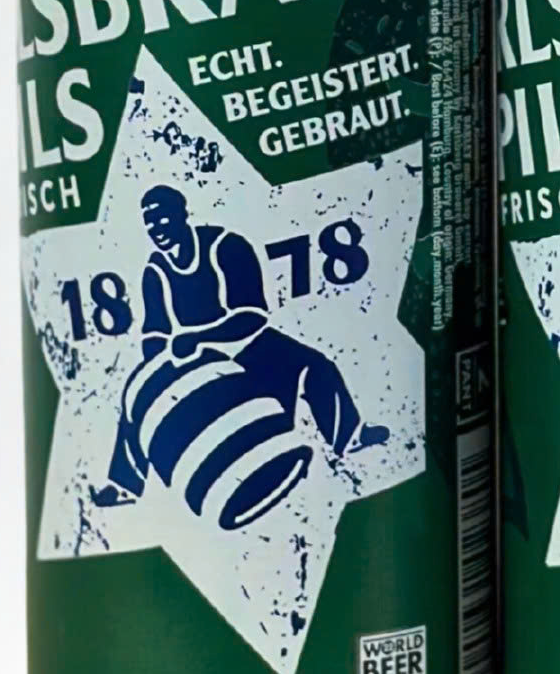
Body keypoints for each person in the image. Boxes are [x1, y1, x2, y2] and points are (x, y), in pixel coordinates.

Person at [94, 186, 382, 515]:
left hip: (248, 341)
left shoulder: (225, 246)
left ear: (182, 214)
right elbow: (155, 332)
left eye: (162, 219)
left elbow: (252, 315)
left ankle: (350, 437)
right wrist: (159, 372)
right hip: (199, 359)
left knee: (315, 365)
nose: (156, 229)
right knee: (137, 395)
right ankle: (125, 484)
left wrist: (200, 338)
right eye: (150, 223)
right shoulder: (156, 270)